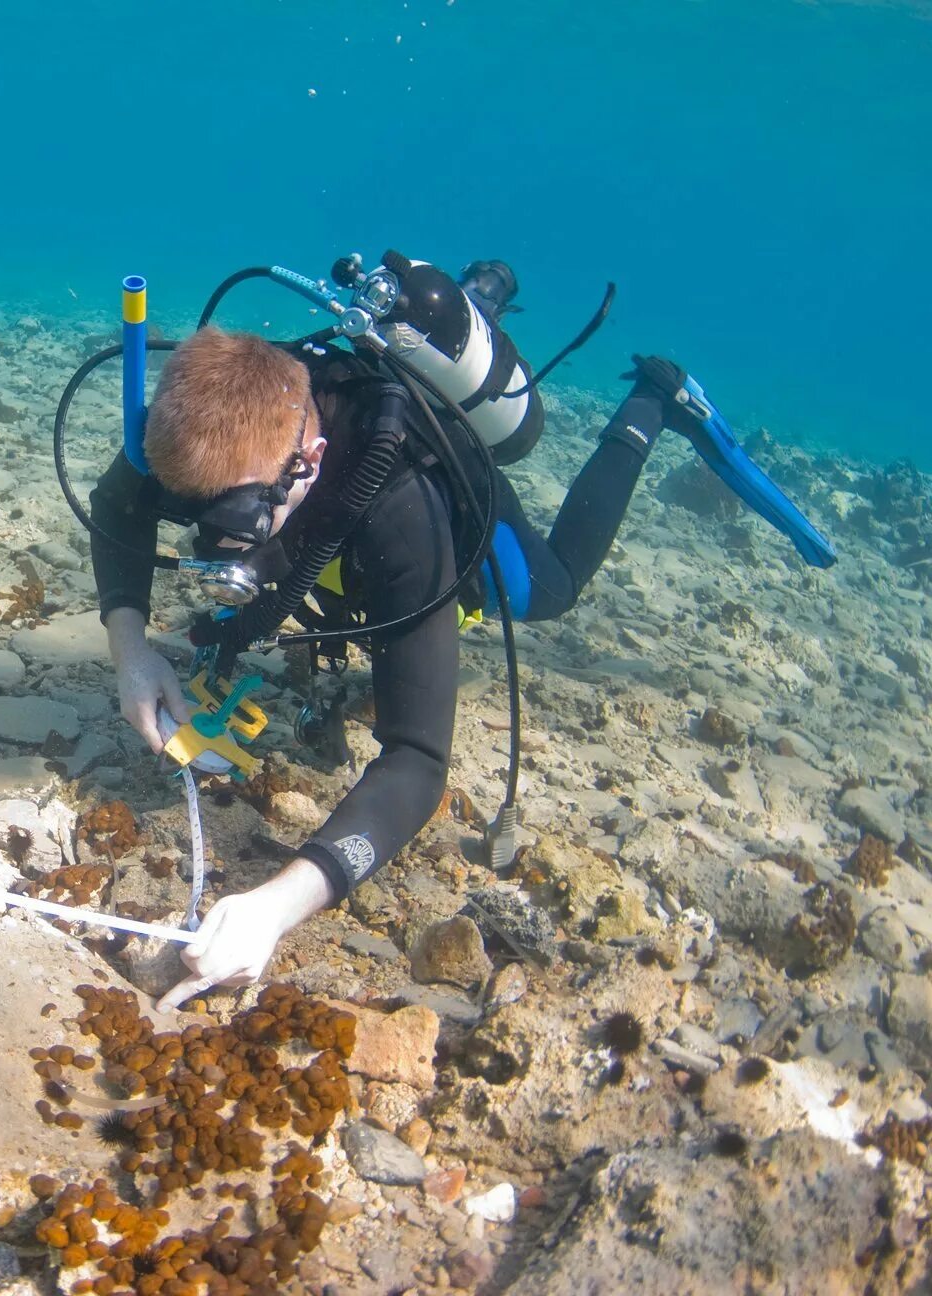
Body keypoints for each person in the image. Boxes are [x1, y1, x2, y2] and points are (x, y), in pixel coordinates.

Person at [83, 265, 828, 1012]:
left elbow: (419, 762)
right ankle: (480, 292)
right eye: (201, 520)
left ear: (306, 463)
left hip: (443, 494)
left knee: (552, 589)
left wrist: (275, 906)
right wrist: (132, 652)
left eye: (236, 528)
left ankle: (650, 406)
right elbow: (116, 509)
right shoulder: (197, 434)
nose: (222, 553)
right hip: (317, 511)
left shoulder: (403, 516)